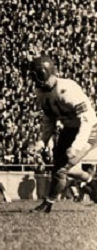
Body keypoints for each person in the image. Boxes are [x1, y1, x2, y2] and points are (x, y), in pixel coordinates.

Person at [29, 56, 97, 213]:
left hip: (89, 129)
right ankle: (92, 184)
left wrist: (76, 146)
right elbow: (49, 120)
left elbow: (86, 121)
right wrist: (41, 142)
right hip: (69, 129)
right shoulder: (41, 92)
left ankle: (48, 204)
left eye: (42, 78)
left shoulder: (67, 90)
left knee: (61, 169)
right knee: (63, 168)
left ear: (52, 74)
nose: (40, 82)